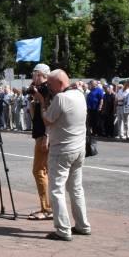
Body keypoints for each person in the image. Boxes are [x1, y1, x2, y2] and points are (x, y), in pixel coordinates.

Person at [36, 69, 90, 241]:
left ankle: (63, 229)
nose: (49, 88)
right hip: (79, 148)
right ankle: (82, 225)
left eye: (50, 85)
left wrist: (42, 101)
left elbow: (47, 119)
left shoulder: (61, 98)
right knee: (76, 188)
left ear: (59, 84)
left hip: (62, 150)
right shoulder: (79, 94)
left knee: (56, 189)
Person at [26, 64, 53, 221]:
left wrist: (46, 136)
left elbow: (49, 114)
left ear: (40, 74)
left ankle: (47, 208)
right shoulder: (39, 90)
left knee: (39, 171)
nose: (32, 78)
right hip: (40, 134)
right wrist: (32, 100)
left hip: (44, 135)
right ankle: (51, 207)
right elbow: (34, 114)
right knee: (46, 172)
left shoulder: (46, 90)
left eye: (34, 74)